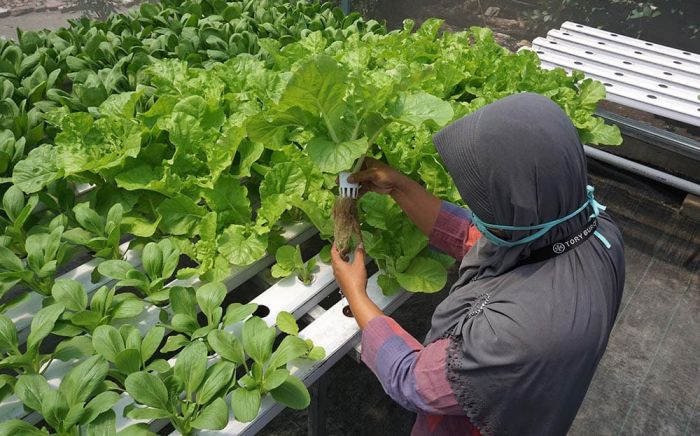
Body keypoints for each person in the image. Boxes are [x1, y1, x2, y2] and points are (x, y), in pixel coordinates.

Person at [330, 93, 625, 436]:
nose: (481, 216)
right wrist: (400, 187)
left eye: (487, 206)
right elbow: (476, 236)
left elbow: (413, 379)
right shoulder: (595, 230)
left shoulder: (514, 335)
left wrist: (356, 293)